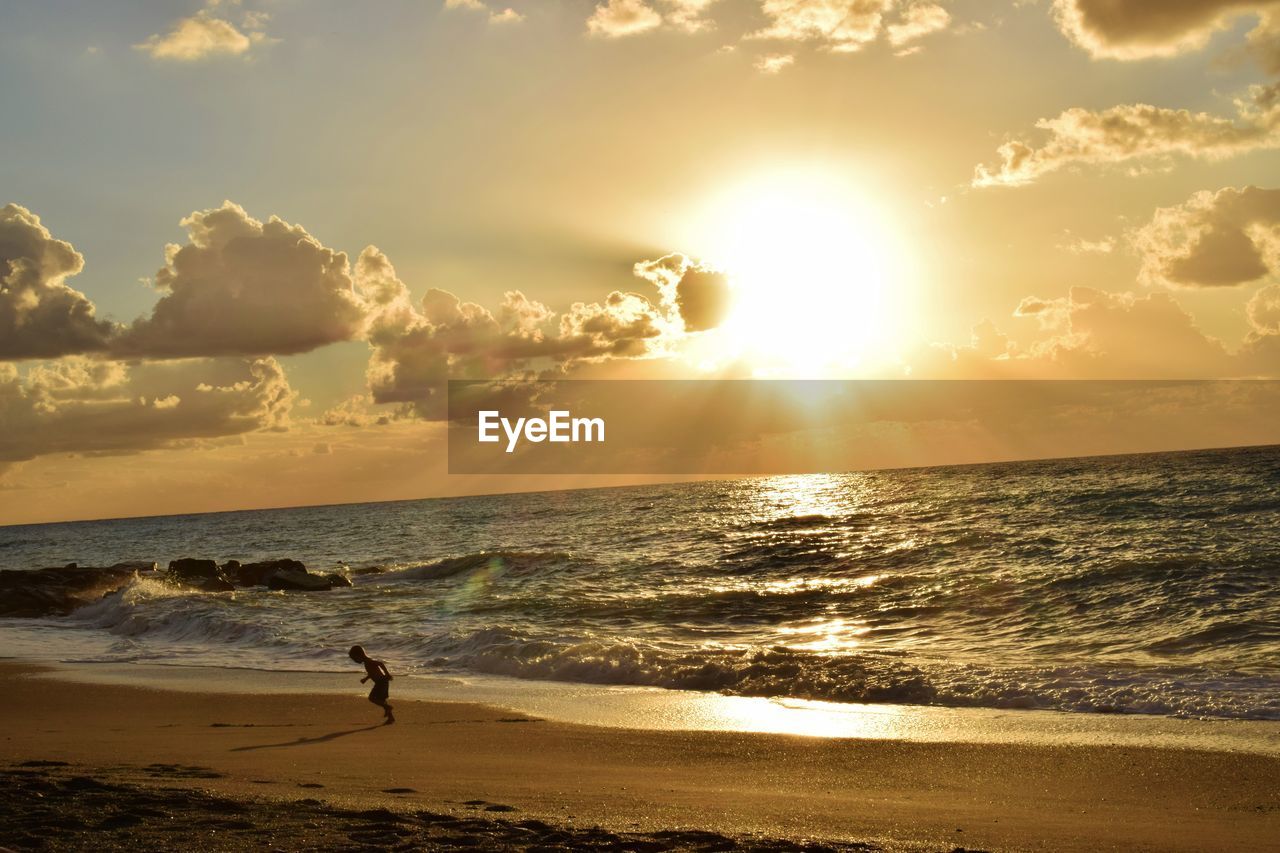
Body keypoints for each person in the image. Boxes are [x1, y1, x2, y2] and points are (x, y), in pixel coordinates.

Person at [348, 645, 395, 724]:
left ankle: (388, 707)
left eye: (355, 659)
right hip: (382, 682)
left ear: (359, 655)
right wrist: (366, 679)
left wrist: (387, 674)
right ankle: (391, 718)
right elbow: (372, 672)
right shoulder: (367, 662)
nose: (355, 661)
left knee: (372, 698)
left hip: (381, 682)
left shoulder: (368, 661)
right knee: (382, 700)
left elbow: (380, 664)